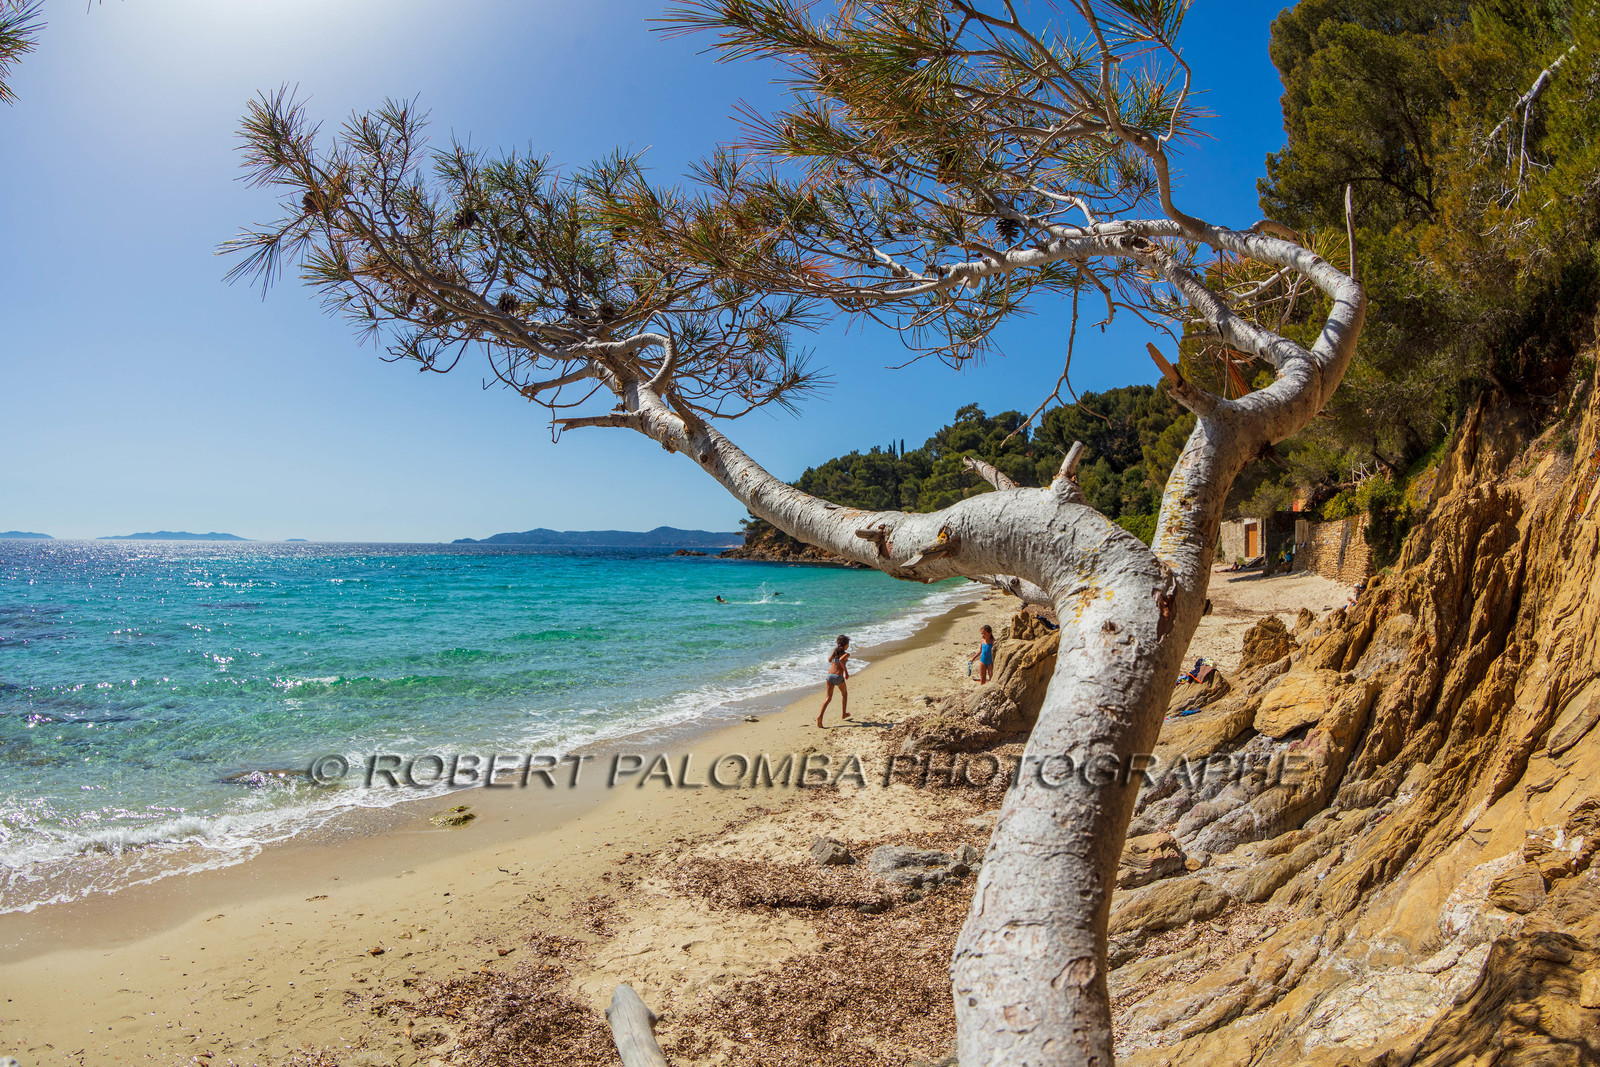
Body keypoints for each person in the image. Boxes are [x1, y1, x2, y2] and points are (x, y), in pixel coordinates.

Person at [817, 635, 851, 727]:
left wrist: (835, 657)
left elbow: (829, 660)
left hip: (829, 676)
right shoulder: (846, 654)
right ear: (846, 645)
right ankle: (843, 714)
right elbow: (841, 660)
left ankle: (820, 716)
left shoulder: (835, 652)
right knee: (844, 694)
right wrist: (846, 673)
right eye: (848, 644)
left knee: (828, 698)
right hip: (838, 677)